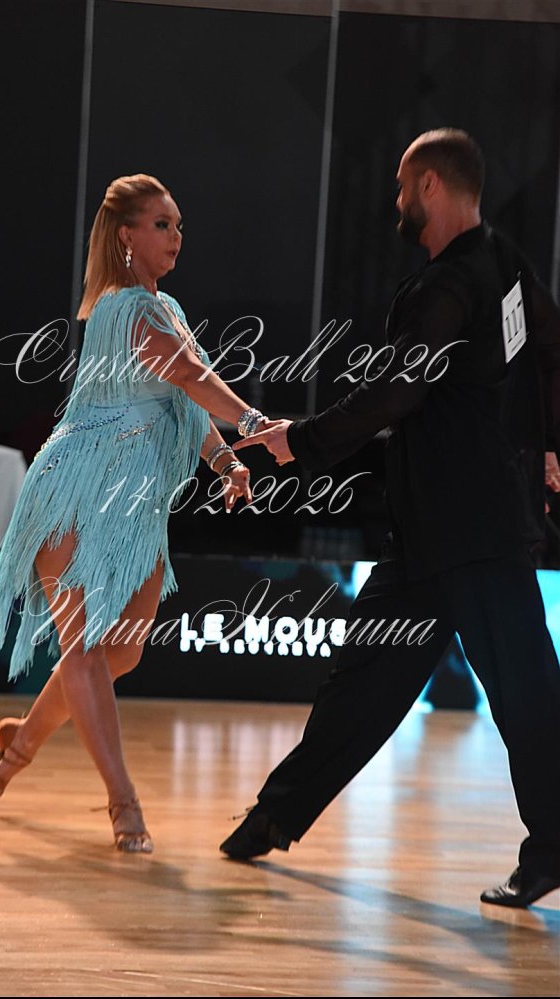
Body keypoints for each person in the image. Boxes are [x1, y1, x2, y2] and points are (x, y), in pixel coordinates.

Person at [220, 129, 560, 908]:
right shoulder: (503, 263)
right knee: (364, 683)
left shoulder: (449, 285)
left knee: (528, 697)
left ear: (432, 186)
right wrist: (546, 443)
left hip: (475, 534)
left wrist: (301, 439)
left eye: (405, 185)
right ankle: (276, 815)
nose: (397, 199)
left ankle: (552, 850)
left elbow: (397, 390)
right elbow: (548, 347)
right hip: (434, 535)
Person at [0, 173, 269, 852]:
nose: (176, 236)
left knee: (124, 652)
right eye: (162, 224)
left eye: (179, 225)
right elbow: (191, 376)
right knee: (81, 650)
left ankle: (19, 742)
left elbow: (185, 402)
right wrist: (257, 422)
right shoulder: (123, 308)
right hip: (74, 486)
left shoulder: (167, 309)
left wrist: (226, 462)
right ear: (126, 236)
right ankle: (123, 802)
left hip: (134, 508)